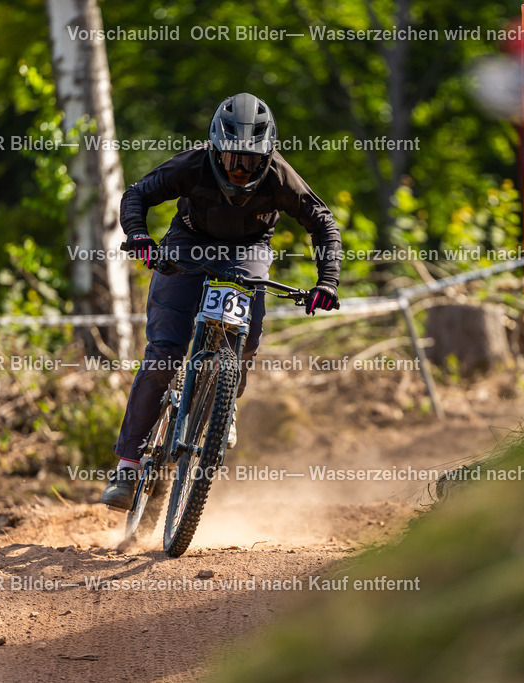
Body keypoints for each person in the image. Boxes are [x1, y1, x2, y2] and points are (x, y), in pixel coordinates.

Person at [100, 92, 342, 510]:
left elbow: (322, 221)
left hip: (247, 251)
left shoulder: (280, 176)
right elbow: (136, 194)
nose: (241, 170)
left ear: (267, 155)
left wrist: (329, 280)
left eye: (251, 160)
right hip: (187, 246)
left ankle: (223, 404)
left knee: (243, 344)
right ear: (215, 149)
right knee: (163, 357)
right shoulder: (192, 164)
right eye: (232, 159)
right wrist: (140, 237)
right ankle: (128, 465)